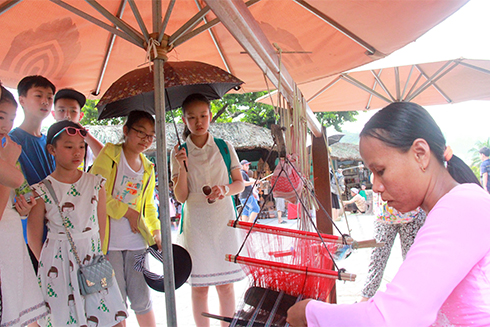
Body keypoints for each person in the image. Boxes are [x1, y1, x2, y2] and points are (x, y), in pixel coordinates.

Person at [287, 102, 489, 327]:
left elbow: (393, 317)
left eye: (380, 171)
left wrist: (311, 313)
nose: (376, 186)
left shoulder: (461, 208)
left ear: (420, 154)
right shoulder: (456, 207)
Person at [27, 120, 128, 326]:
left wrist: (96, 254)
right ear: (51, 150)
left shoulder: (95, 183)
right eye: (69, 146)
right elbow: (34, 236)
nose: (77, 152)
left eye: (81, 146)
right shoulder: (41, 190)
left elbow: (101, 228)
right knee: (63, 318)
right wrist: (52, 264)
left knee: (112, 316)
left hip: (93, 261)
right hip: (57, 265)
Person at [171, 93, 245, 327]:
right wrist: (182, 167)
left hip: (224, 221)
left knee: (225, 286)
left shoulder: (224, 147)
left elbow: (239, 183)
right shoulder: (178, 152)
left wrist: (224, 189)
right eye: (192, 117)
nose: (199, 122)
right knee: (200, 288)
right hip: (196, 226)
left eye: (203, 115)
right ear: (184, 120)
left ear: (210, 115)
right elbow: (181, 196)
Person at [90, 110, 161, 327]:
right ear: (126, 130)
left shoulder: (148, 167)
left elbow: (148, 205)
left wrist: (156, 231)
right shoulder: (110, 154)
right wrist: (128, 212)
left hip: (137, 244)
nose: (145, 139)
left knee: (142, 300)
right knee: (114, 301)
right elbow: (96, 191)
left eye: (151, 135)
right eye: (140, 132)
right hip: (107, 245)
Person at [0, 85, 48, 326]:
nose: (6, 125)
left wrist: (24, 208)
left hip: (12, 246)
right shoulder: (10, 151)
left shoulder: (7, 148)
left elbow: (19, 195)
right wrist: (8, 165)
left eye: (10, 118)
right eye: (1, 117)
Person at [9, 76, 56, 255]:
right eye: (38, 96)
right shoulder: (12, 141)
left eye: (50, 97)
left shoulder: (51, 142)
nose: (45, 101)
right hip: (28, 229)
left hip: (55, 226)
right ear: (22, 100)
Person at [360, 192, 426, 301]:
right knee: (377, 259)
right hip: (385, 215)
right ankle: (365, 297)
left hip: (411, 213)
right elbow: (374, 181)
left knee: (412, 261)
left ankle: (413, 298)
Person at [52, 88, 103, 171]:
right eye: (61, 110)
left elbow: (104, 157)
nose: (67, 116)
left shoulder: (86, 143)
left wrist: (85, 134)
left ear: (81, 116)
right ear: (53, 114)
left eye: (73, 111)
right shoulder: (47, 140)